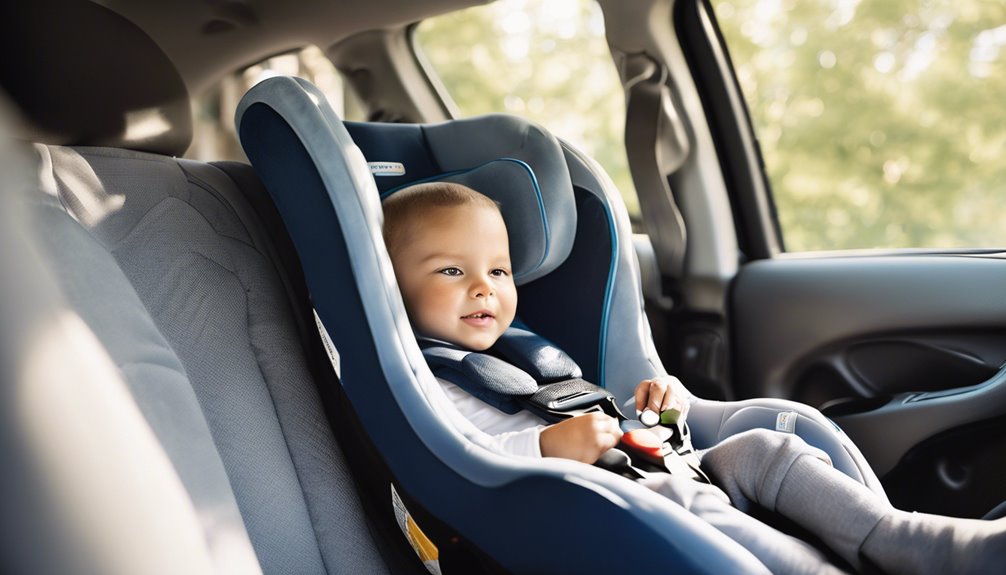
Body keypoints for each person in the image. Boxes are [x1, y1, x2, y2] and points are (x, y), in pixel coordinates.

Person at [382, 181, 1005, 574]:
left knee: (764, 448)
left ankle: (908, 541)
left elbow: (607, 422)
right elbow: (454, 458)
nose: (483, 287)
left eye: (499, 270)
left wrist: (661, 412)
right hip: (578, 507)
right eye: (449, 272)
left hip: (652, 463)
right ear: (390, 287)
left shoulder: (527, 352)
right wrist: (545, 447)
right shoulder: (424, 382)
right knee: (680, 498)